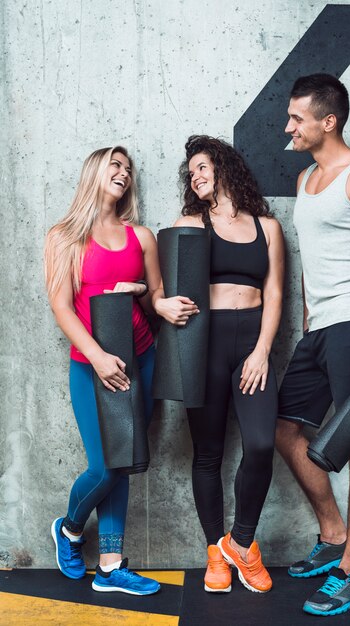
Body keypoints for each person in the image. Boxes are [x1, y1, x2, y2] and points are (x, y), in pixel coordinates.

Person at [276, 74, 350, 616]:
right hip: (319, 327)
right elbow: (313, 259)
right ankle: (332, 534)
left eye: (297, 118)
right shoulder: (307, 178)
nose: (288, 127)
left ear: (328, 121)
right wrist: (306, 319)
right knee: (284, 429)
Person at [154, 135, 284, 593]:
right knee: (207, 454)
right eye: (191, 172)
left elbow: (276, 295)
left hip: (252, 340)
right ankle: (215, 551)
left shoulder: (267, 226)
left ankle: (242, 544)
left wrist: (263, 349)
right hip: (202, 344)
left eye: (204, 166)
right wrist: (155, 300)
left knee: (261, 445)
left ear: (225, 166)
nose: (197, 175)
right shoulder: (188, 224)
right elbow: (165, 284)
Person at [44, 146, 164, 595]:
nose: (123, 173)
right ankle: (70, 529)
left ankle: (111, 566)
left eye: (128, 169)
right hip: (91, 366)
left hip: (142, 358)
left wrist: (148, 297)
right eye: (115, 165)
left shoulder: (142, 236)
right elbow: (61, 306)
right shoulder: (63, 237)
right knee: (106, 466)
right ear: (94, 171)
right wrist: (96, 355)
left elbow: (154, 297)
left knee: (127, 461)